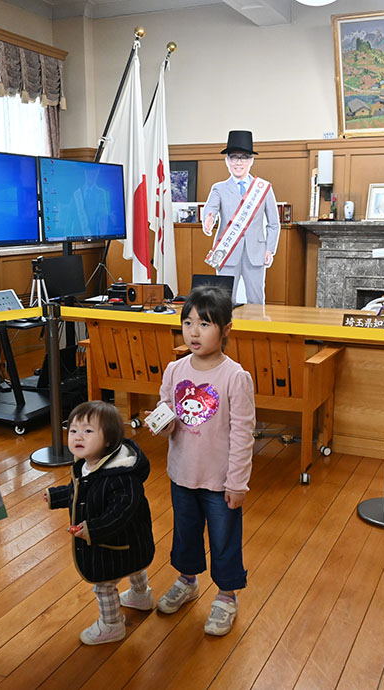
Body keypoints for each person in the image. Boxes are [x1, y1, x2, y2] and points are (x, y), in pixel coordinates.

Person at [152, 285, 255, 636]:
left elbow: (243, 435)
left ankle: (226, 597)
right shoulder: (175, 370)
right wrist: (161, 420)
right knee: (185, 532)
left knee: (224, 538)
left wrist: (237, 483)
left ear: (226, 329)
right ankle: (187, 580)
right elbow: (167, 408)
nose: (194, 332)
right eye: (188, 323)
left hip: (220, 480)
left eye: (205, 324)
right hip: (182, 473)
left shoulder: (235, 378)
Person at [44, 401, 156, 645]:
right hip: (129, 541)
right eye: (73, 430)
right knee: (135, 565)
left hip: (112, 540)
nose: (78, 437)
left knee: (104, 584)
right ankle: (140, 596)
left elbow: (122, 511)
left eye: (88, 431)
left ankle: (112, 624)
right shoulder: (87, 465)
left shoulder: (123, 476)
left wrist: (93, 530)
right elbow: (81, 492)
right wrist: (56, 496)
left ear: (109, 440)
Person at [202, 130, 280, 305]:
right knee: (223, 302)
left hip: (256, 253)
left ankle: (257, 332)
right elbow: (210, 210)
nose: (238, 162)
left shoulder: (263, 188)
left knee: (257, 300)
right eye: (234, 157)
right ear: (227, 161)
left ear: (251, 160)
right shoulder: (219, 188)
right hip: (227, 252)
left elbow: (274, 224)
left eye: (244, 157)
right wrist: (208, 221)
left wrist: (270, 249)